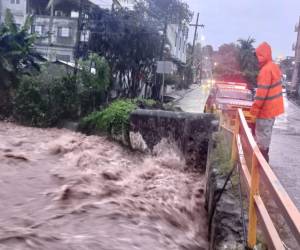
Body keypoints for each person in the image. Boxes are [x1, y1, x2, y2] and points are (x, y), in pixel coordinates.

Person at [250, 42, 284, 162]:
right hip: (272, 110)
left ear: (261, 55)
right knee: (266, 135)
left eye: (257, 56)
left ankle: (261, 166)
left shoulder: (265, 70)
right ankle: (263, 162)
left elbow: (261, 94)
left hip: (266, 110)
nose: (256, 59)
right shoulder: (273, 67)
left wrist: (254, 109)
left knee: (262, 139)